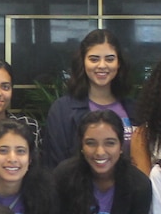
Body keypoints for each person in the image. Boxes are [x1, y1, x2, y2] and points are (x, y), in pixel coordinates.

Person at [43, 28, 132, 169]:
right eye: (94, 59)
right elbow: (54, 167)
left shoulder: (134, 109)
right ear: (83, 63)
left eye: (109, 59)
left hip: (128, 190)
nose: (102, 65)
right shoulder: (62, 110)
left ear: (119, 63)